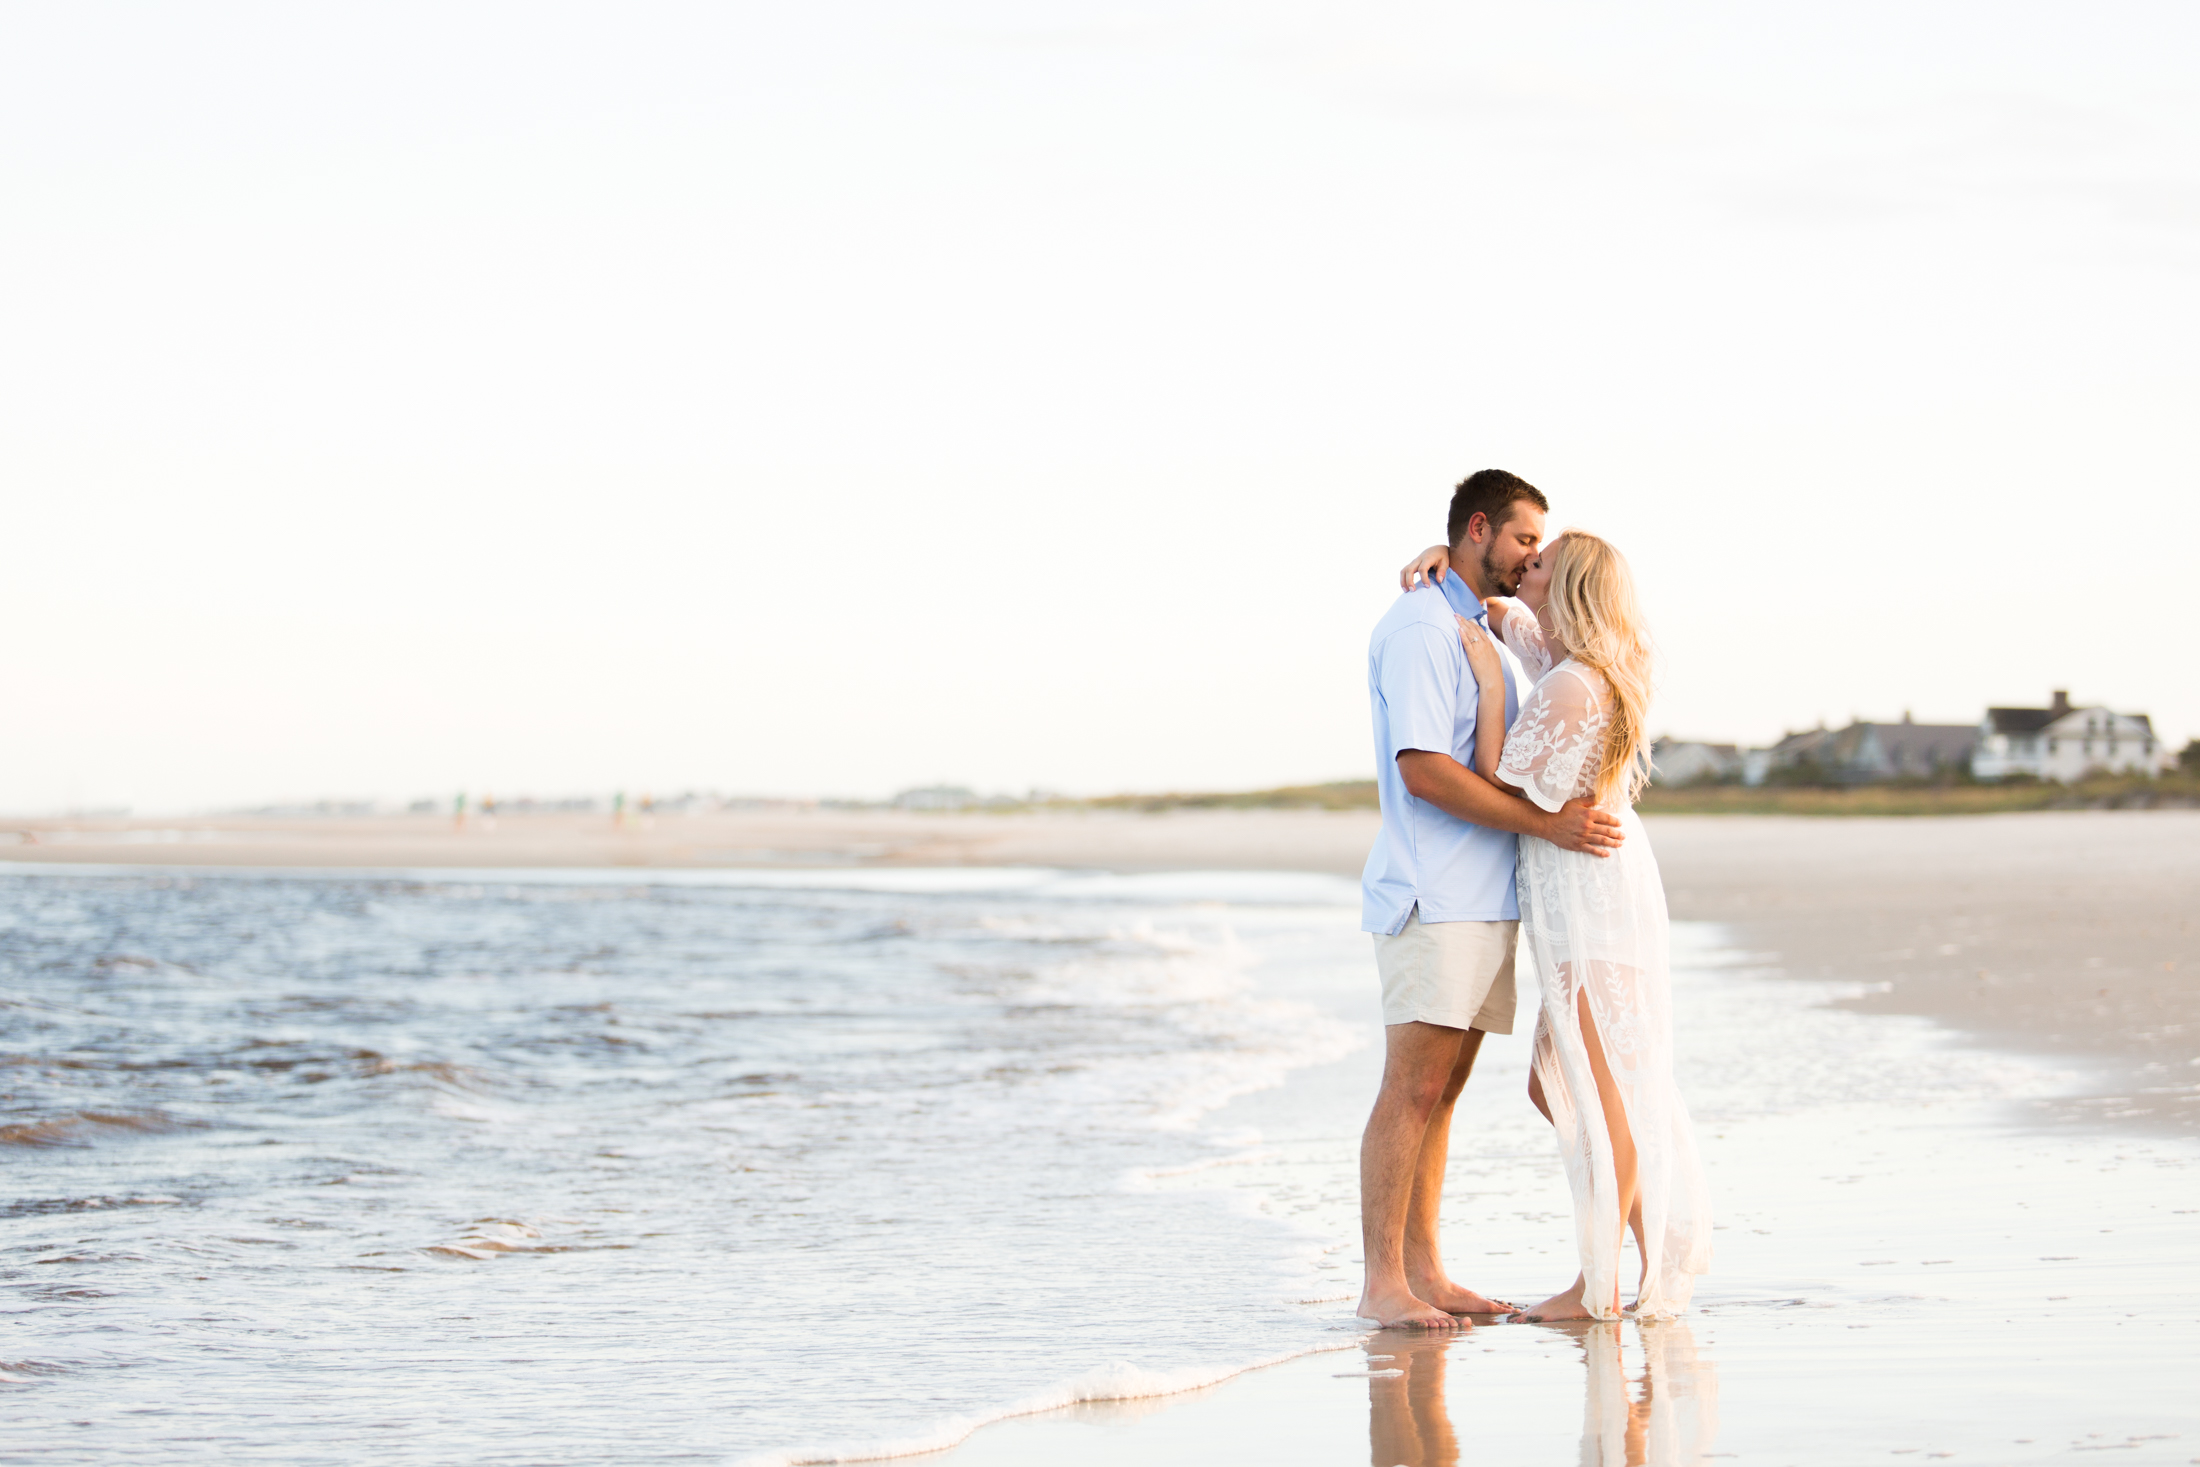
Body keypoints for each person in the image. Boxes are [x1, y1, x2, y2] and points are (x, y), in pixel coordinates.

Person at [1402, 530, 1713, 1321]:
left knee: (1597, 1082)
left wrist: (1492, 692)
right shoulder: (1571, 661)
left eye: (1536, 562)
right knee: (1565, 1080)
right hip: (1590, 889)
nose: (1522, 567)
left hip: (1592, 894)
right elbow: (1512, 619)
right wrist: (1451, 555)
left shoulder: (1572, 685)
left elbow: (1507, 786)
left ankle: (1597, 1281)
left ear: (1566, 583)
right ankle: (1645, 1257)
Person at [1356, 470, 1627, 1330]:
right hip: (1434, 895)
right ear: (1480, 529)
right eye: (1521, 541)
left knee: (1444, 1090)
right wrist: (1545, 828)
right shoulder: (1422, 629)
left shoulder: (1479, 623)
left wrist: (1449, 566)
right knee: (1411, 1088)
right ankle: (1381, 1282)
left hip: (1486, 896)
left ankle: (1426, 1270)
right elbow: (1425, 769)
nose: (1532, 557)